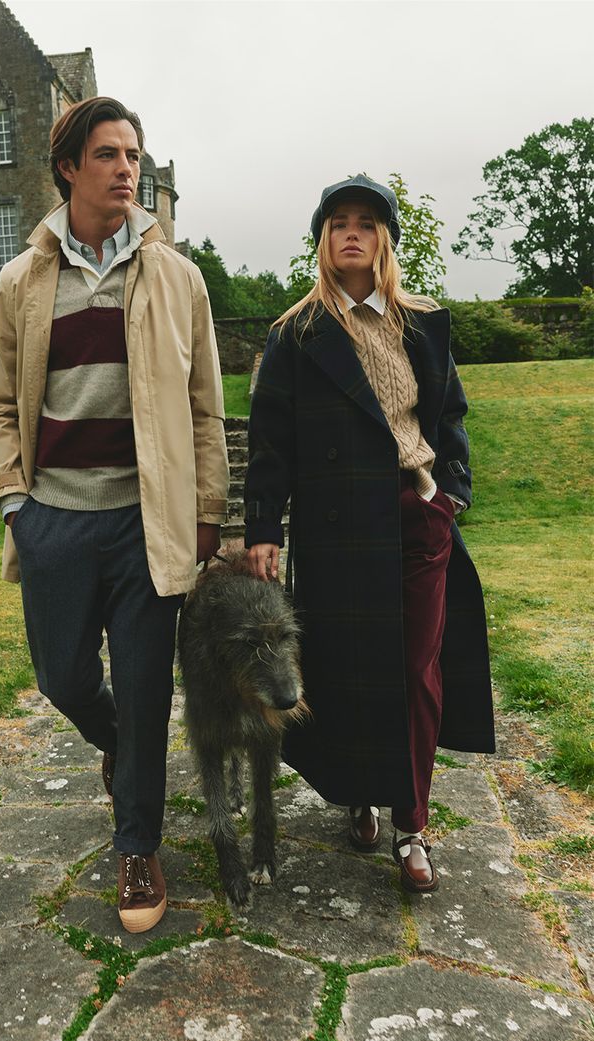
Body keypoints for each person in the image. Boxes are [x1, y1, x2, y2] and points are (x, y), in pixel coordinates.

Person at [0, 96, 229, 932]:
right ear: (67, 168)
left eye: (134, 155)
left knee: (148, 689)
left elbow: (204, 408)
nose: (128, 169)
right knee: (61, 678)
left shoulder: (177, 276)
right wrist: (17, 503)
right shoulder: (20, 281)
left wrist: (206, 514)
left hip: (143, 521)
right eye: (109, 155)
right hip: (54, 517)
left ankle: (137, 847)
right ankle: (125, 757)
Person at [244, 174, 494, 893]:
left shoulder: (424, 322)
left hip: (417, 517)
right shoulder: (296, 334)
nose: (351, 232)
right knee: (347, 667)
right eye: (337, 222)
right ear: (323, 240)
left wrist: (452, 492)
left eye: (366, 221)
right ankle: (359, 793)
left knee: (415, 669)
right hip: (339, 525)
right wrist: (264, 526)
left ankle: (412, 825)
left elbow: (448, 419)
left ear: (384, 237)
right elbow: (271, 441)